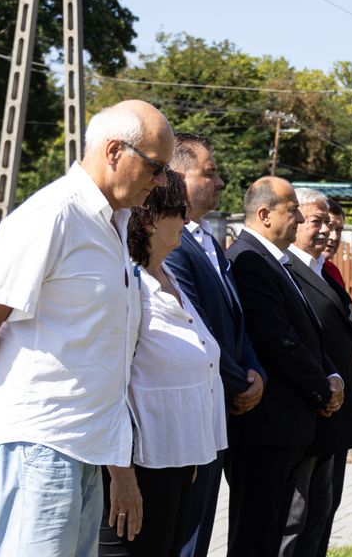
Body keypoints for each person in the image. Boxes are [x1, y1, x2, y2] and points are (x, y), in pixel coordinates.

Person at [0, 100, 173, 556]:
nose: (163, 180)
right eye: (156, 166)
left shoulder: (115, 223)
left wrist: (119, 465)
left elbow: (101, 353)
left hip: (84, 444)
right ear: (114, 152)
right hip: (42, 441)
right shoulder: (53, 215)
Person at [99, 170, 227, 556]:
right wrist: (121, 476)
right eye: (180, 210)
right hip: (139, 469)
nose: (188, 220)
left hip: (176, 461)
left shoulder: (167, 276)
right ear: (152, 218)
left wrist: (188, 451)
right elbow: (110, 385)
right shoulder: (131, 284)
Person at [226, 178, 344, 557]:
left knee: (280, 530)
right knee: (258, 537)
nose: (298, 218)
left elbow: (307, 332)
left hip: (288, 426)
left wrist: (332, 375)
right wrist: (322, 388)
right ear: (264, 215)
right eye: (291, 210)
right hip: (265, 427)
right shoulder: (249, 260)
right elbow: (278, 340)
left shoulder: (276, 261)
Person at [164, 134, 266, 557]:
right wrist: (240, 381)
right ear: (176, 178)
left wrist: (254, 370)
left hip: (220, 404)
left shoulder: (208, 240)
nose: (221, 182)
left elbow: (235, 320)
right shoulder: (170, 246)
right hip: (193, 407)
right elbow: (196, 326)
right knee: (183, 534)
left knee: (201, 528)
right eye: (209, 173)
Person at [287, 189, 352, 557]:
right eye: (319, 223)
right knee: (295, 519)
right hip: (310, 411)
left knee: (321, 514)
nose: (329, 235)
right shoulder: (287, 270)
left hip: (333, 413)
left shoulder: (327, 271)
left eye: (335, 227)